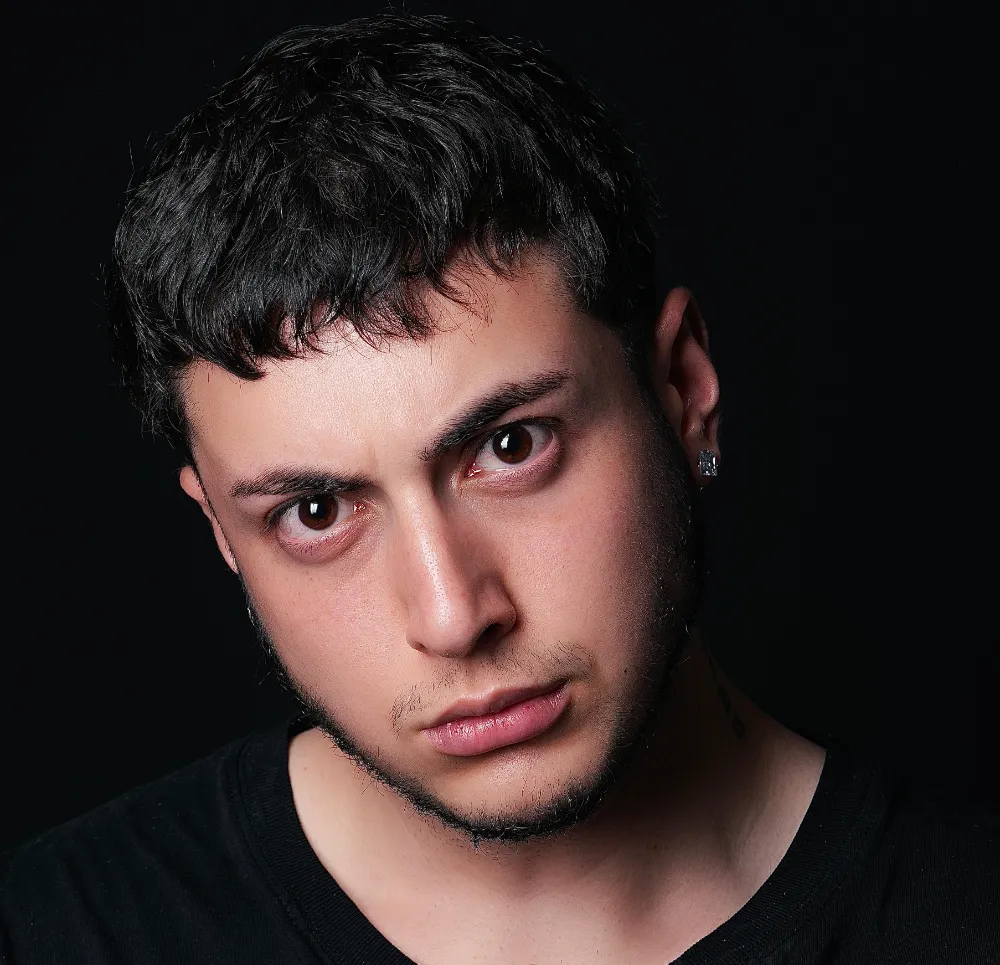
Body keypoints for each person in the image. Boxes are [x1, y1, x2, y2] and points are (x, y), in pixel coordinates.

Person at [2, 14, 996, 965]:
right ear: (223, 532)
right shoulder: (55, 932)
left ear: (684, 391)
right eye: (316, 512)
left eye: (511, 446)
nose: (452, 614)